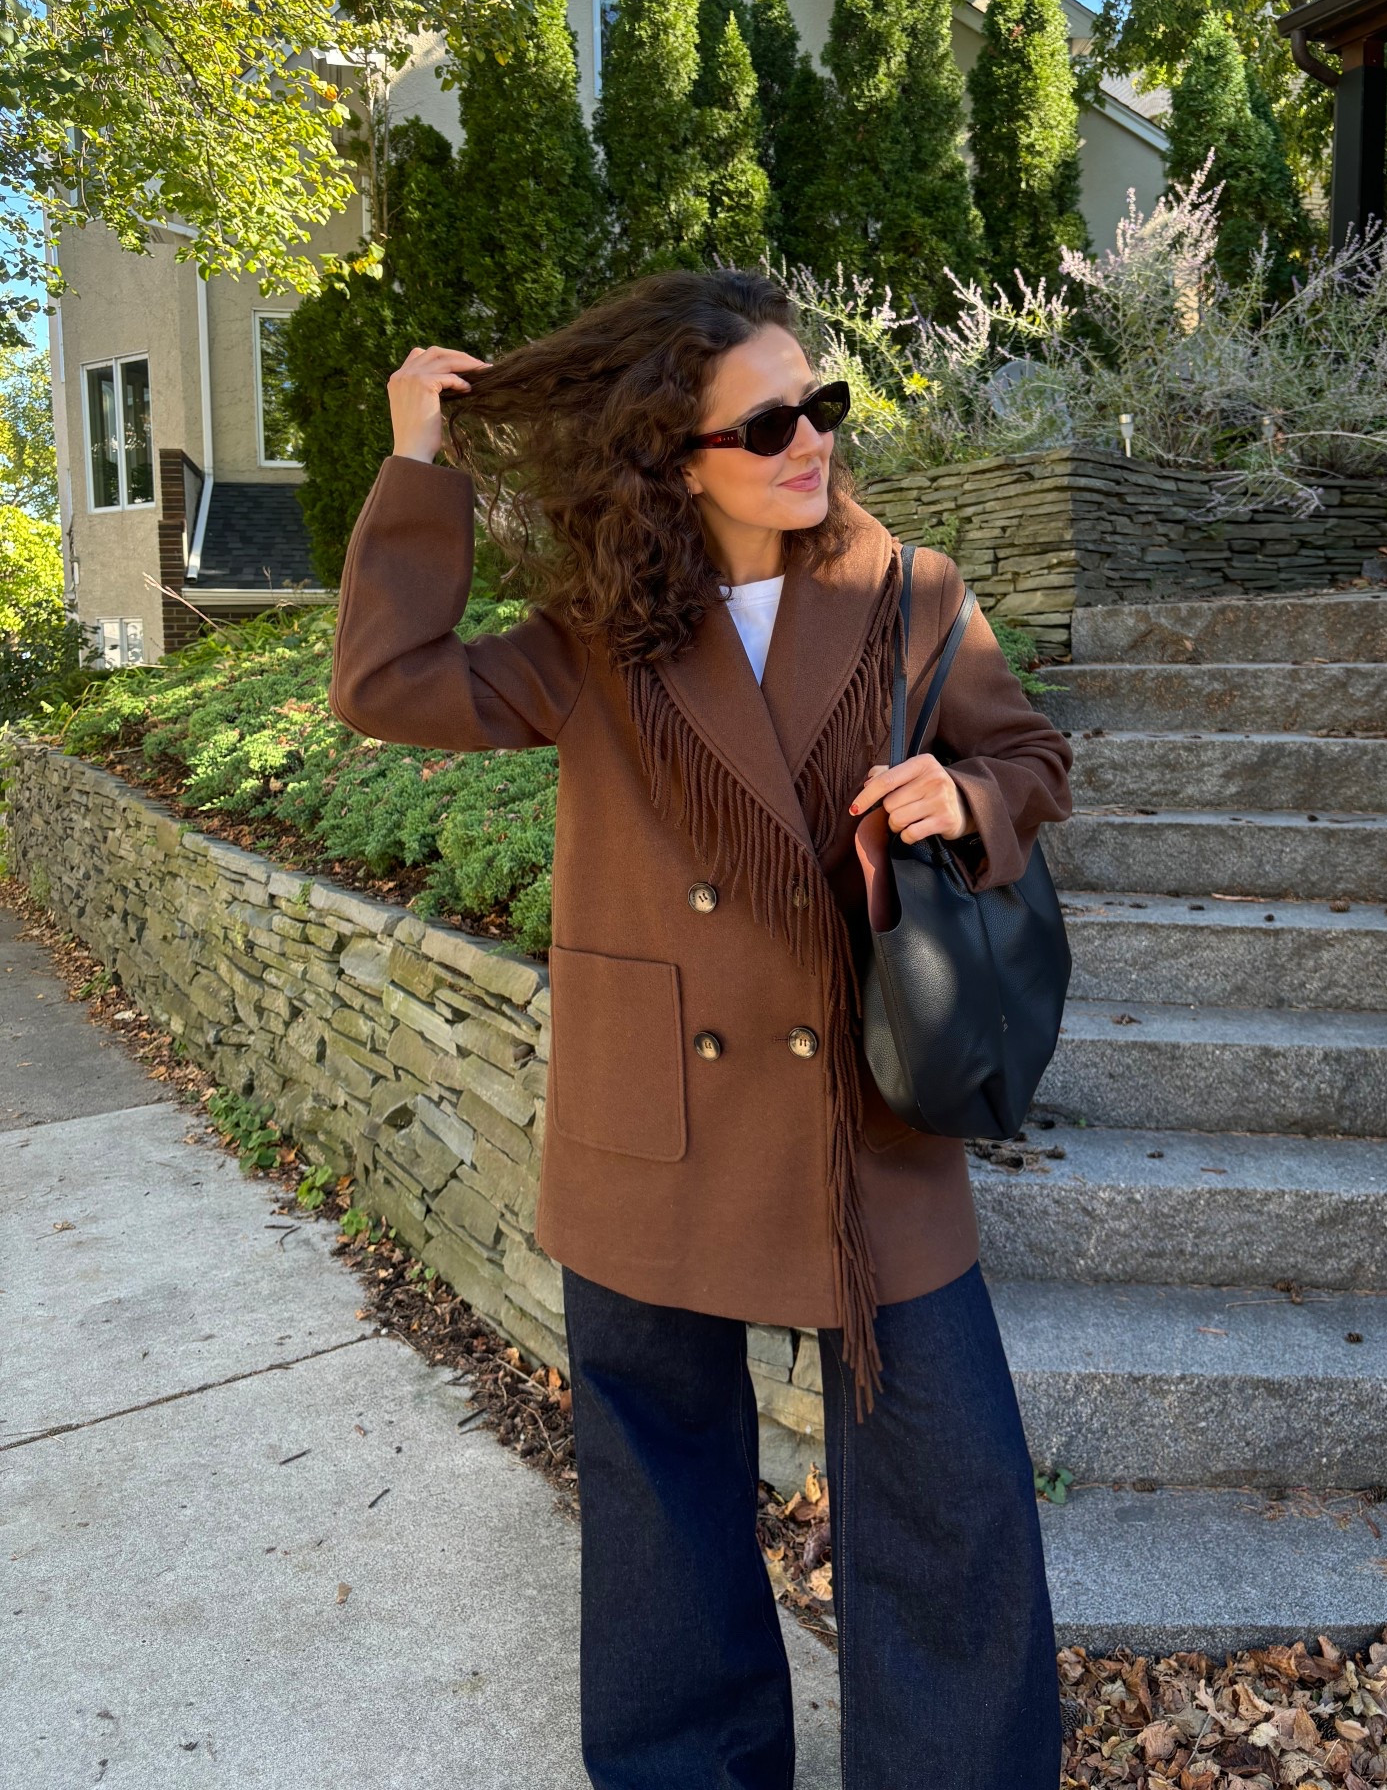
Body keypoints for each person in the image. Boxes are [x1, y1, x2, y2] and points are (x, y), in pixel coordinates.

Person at [327, 267, 1074, 1790]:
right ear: (673, 458)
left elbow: (1028, 754)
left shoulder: (908, 593)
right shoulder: (595, 635)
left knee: (951, 1488)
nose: (814, 442)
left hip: (863, 1118)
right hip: (650, 1112)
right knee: (660, 1498)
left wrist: (970, 796)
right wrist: (419, 461)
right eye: (771, 423)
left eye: (825, 406)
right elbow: (388, 684)